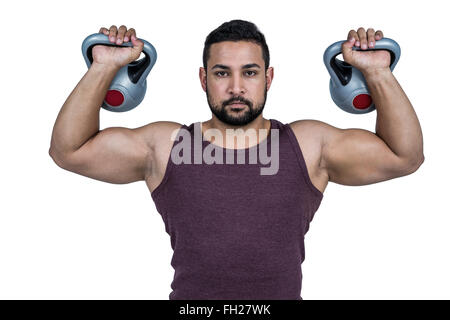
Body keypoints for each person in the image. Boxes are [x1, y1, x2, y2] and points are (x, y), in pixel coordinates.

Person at [49, 20, 424, 300]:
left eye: (249, 72)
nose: (236, 88)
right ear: (203, 79)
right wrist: (103, 66)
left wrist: (376, 71)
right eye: (221, 73)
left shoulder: (307, 144)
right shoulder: (167, 145)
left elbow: (404, 156)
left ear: (268, 78)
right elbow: (69, 151)